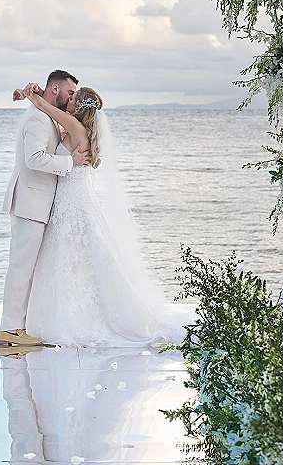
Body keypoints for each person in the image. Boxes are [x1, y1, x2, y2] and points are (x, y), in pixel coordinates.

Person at [13, 82, 190, 347]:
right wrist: (29, 92)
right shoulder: (75, 127)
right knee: (76, 258)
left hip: (72, 200)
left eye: (73, 98)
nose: (68, 100)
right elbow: (48, 111)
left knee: (73, 255)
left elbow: (43, 106)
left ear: (79, 107)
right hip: (69, 198)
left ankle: (78, 315)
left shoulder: (75, 127)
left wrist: (30, 94)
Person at [0, 70, 91, 347]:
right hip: (30, 202)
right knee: (21, 268)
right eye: (70, 92)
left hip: (37, 203)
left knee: (27, 268)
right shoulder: (39, 119)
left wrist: (29, 92)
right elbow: (34, 159)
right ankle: (11, 330)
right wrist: (69, 164)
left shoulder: (46, 112)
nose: (72, 97)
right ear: (55, 90)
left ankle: (19, 326)